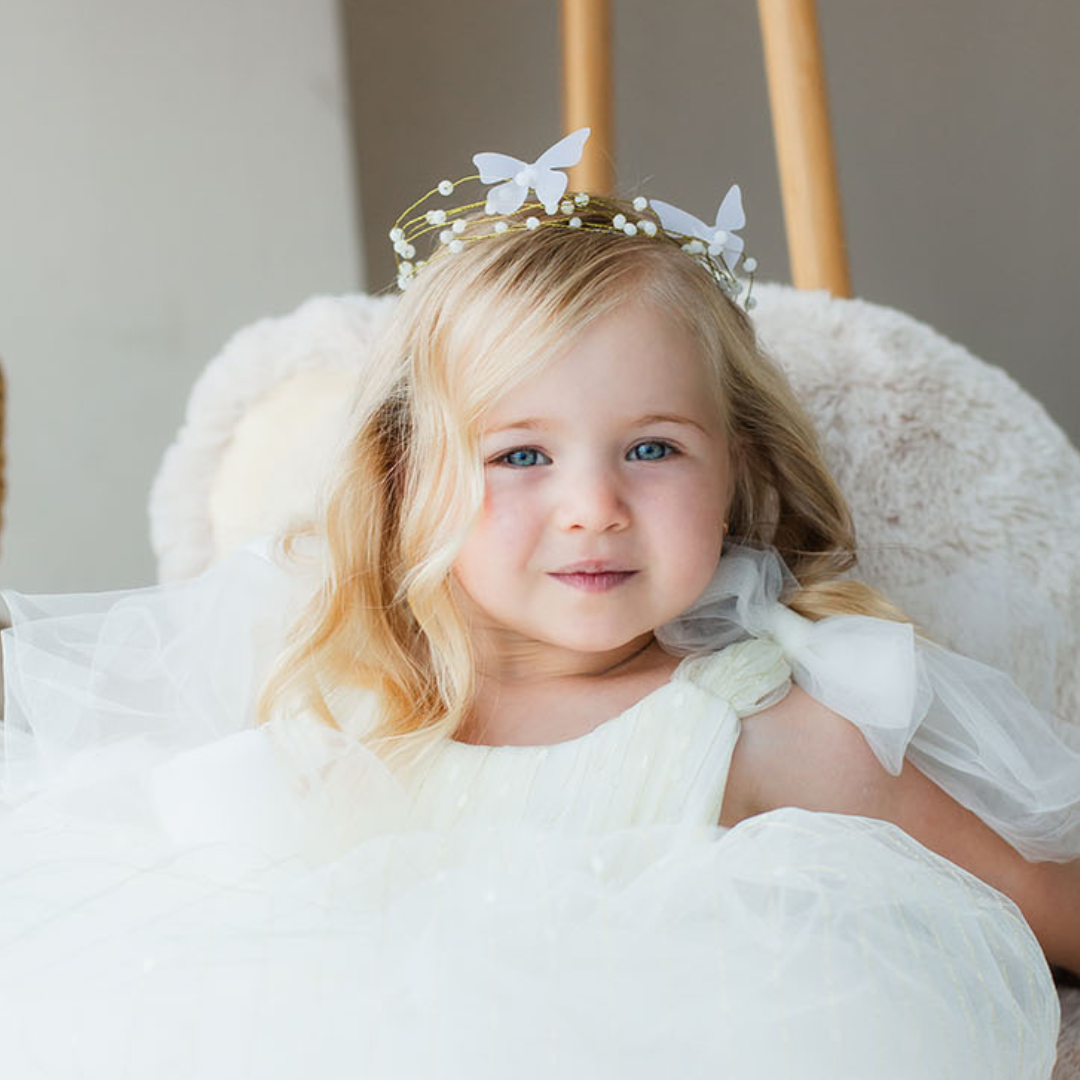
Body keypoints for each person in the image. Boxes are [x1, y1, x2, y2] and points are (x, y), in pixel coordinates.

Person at [1, 127, 1078, 1080]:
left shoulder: (772, 729)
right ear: (406, 474)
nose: (593, 508)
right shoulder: (345, 695)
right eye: (520, 455)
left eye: (652, 448)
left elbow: (1043, 906)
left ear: (737, 469)